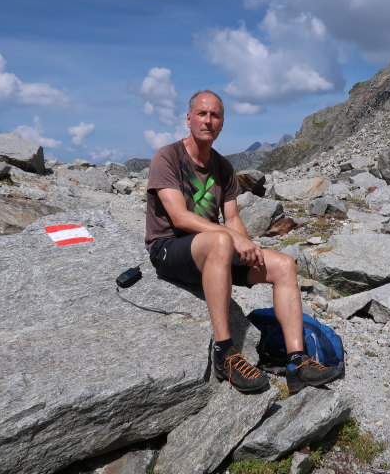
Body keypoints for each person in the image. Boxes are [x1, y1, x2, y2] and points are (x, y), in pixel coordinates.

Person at [145, 90, 341, 393]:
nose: (208, 120)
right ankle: (225, 352)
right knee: (221, 242)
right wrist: (231, 237)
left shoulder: (222, 167)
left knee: (284, 265)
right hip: (170, 248)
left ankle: (297, 362)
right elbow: (179, 217)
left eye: (215, 115)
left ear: (222, 123)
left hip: (213, 252)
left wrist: (249, 247)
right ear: (188, 118)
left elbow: (233, 218)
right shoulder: (168, 157)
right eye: (201, 113)